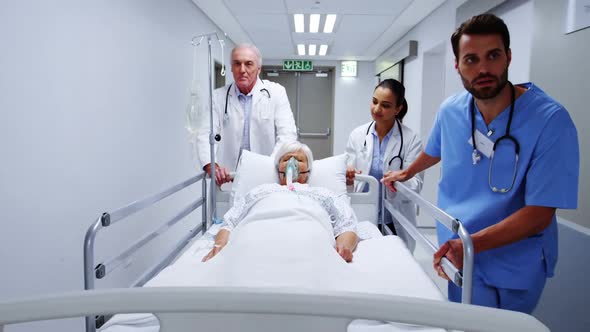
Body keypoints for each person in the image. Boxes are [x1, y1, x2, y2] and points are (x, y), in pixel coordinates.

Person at [382, 13, 579, 313]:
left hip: (513, 261)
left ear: (508, 57)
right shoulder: (451, 111)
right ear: (457, 65)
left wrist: (469, 245)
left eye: (493, 55)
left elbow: (539, 213)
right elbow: (437, 149)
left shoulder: (550, 121)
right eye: (471, 59)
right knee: (464, 322)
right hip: (459, 253)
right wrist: (408, 171)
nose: (483, 68)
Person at [203, 141, 359, 262]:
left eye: (298, 159)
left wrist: (344, 247)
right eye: (286, 159)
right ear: (278, 168)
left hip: (309, 241)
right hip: (256, 240)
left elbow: (347, 225)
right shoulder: (260, 191)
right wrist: (220, 244)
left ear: (308, 170)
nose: (292, 162)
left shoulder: (323, 194)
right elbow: (230, 222)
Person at [196, 43, 297, 185]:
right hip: (228, 178)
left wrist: (270, 164)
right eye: (237, 64)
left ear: (258, 68)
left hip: (266, 177)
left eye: (248, 64)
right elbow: (205, 134)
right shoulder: (217, 97)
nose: (242, 69)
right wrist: (212, 166)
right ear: (231, 67)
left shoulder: (276, 92)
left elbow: (288, 135)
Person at [345, 79, 423, 251]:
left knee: (395, 270)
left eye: (385, 105)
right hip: (363, 216)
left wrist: (398, 180)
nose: (377, 109)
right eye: (374, 102)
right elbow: (349, 180)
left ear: (398, 109)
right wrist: (349, 177)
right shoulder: (358, 135)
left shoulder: (411, 140)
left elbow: (416, 184)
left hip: (395, 218)